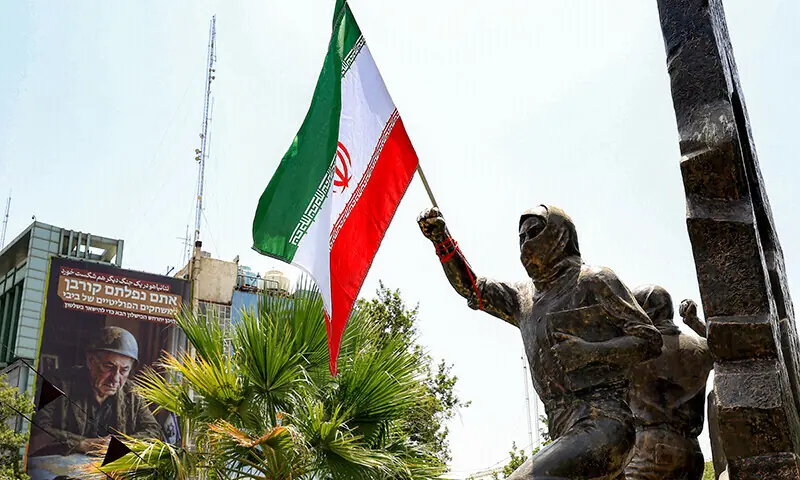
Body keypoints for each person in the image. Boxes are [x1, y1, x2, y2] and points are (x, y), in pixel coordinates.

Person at [418, 205, 663, 479]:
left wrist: (591, 352)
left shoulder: (594, 280)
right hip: (561, 426)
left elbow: (650, 340)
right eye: (521, 237)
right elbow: (472, 288)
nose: (526, 243)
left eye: (535, 232)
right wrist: (442, 240)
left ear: (560, 236)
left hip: (604, 423)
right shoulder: (522, 297)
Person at [623, 285, 713, 480]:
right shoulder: (701, 348)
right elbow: (727, 350)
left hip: (650, 448)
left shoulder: (638, 350)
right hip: (692, 453)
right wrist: (695, 323)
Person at [30, 326, 162, 456]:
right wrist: (82, 444)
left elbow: (154, 431)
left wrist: (120, 444)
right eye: (108, 367)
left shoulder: (132, 393)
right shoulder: (56, 382)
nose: (115, 379)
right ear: (90, 361)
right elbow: (37, 430)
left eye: (124, 370)